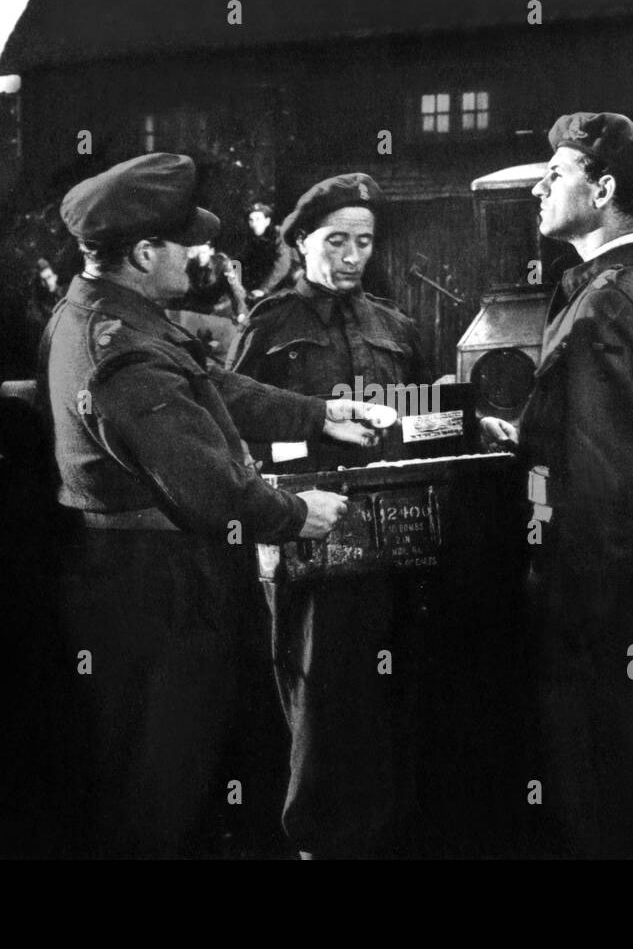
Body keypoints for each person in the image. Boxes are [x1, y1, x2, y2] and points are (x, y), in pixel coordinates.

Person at [39, 152, 387, 858]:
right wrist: (295, 515)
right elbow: (209, 488)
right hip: (158, 580)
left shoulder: (107, 313)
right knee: (165, 774)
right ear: (143, 252)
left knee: (170, 759)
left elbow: (212, 388)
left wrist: (319, 412)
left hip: (137, 571)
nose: (201, 254)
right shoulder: (123, 351)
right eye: (185, 242)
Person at [481, 112, 633, 857]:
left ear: (603, 189)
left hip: (593, 577)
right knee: (630, 762)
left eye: (558, 173)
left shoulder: (602, 303)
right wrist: (530, 436)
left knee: (595, 775)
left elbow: (602, 483)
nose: (540, 184)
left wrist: (570, 601)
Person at [227, 173, 430, 857]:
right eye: (336, 239)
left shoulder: (395, 325)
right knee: (317, 697)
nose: (351, 255)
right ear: (302, 242)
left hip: (396, 539)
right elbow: (232, 425)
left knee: (386, 695)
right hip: (309, 538)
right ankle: (316, 839)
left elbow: (427, 420)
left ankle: (379, 836)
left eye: (364, 242)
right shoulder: (268, 325)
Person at [239, 202, 294, 305]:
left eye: (258, 219)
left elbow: (282, 265)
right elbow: (243, 261)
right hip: (265, 284)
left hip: (287, 282)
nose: (254, 224)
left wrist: (263, 289)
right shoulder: (251, 237)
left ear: (267, 221)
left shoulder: (279, 235)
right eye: (251, 220)